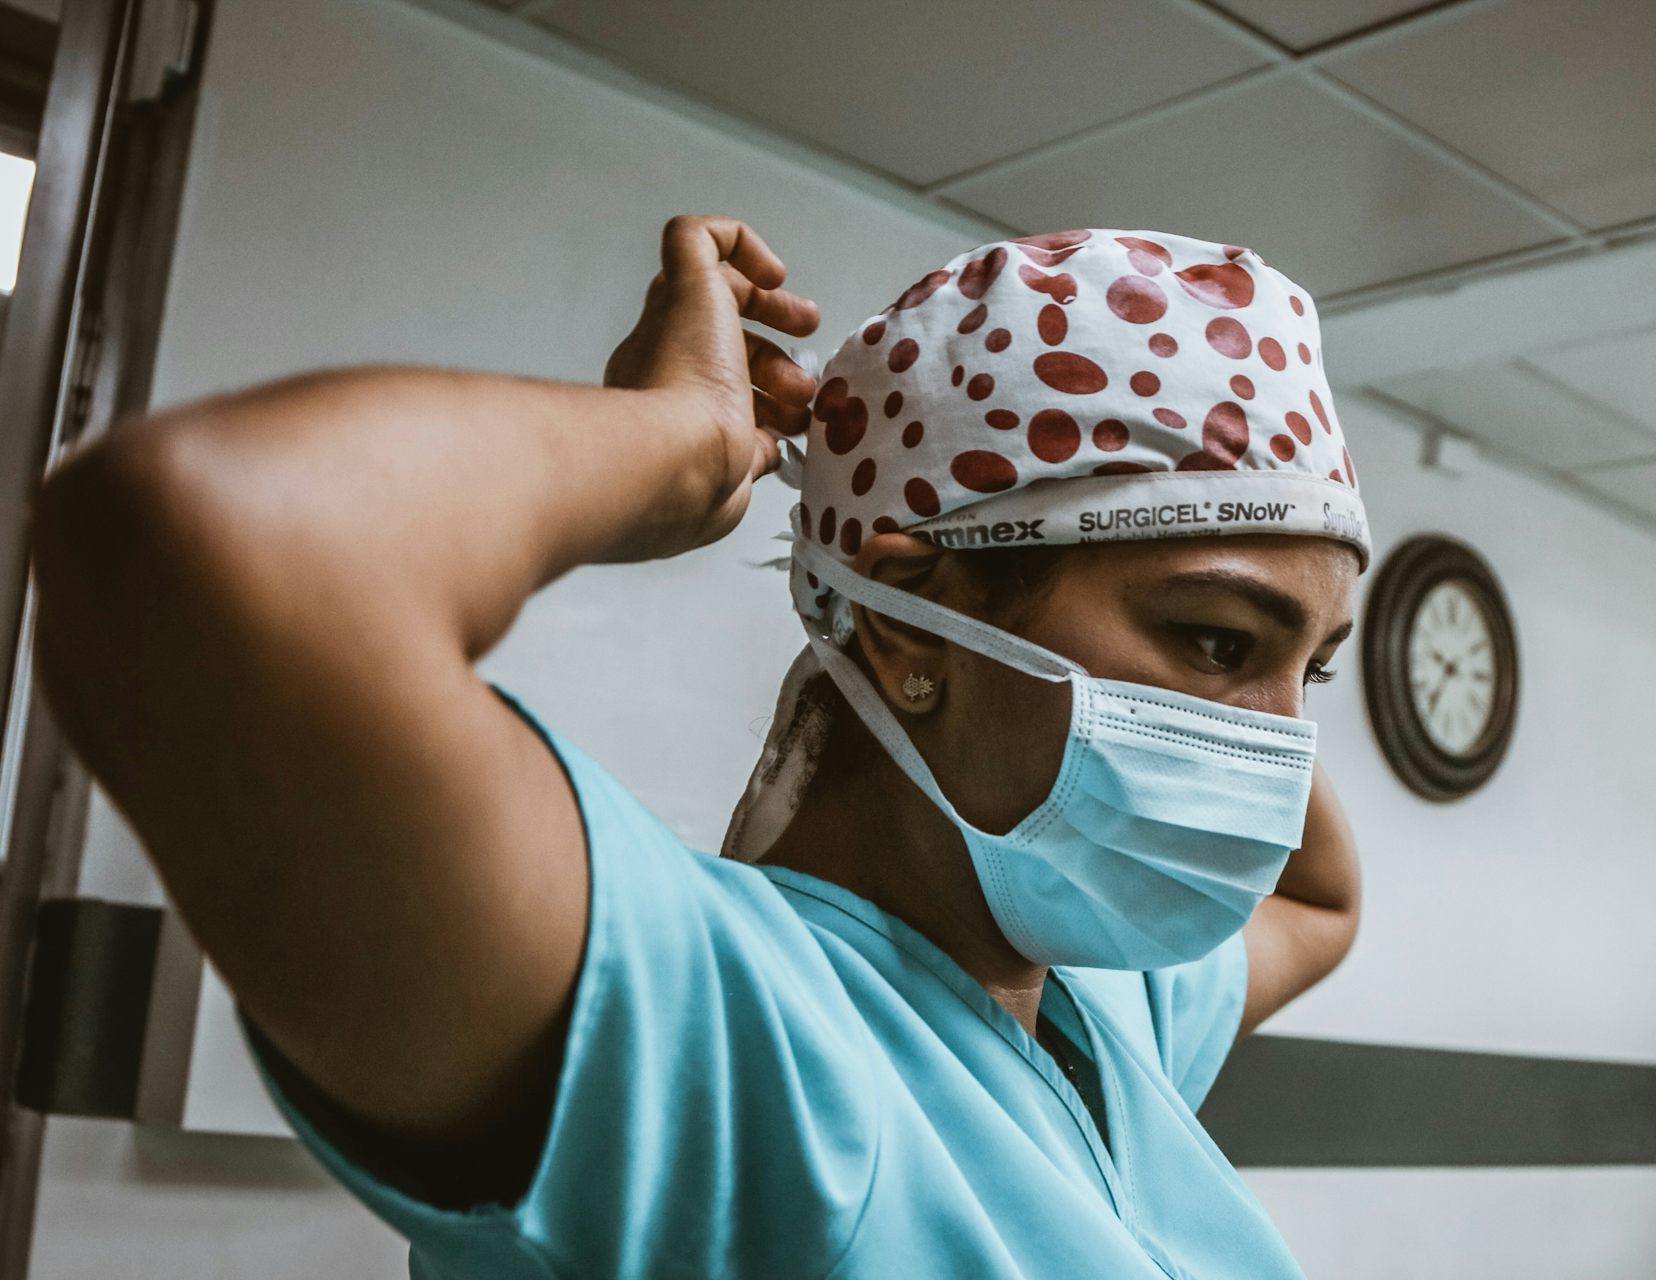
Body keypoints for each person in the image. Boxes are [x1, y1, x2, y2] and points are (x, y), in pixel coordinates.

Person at [30, 217, 1369, 1278]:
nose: (1281, 755)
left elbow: (1320, 899)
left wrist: (1263, 622)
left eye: (1314, 669)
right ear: (922, 632)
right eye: (1212, 642)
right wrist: (687, 444)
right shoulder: (726, 1044)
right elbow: (213, 545)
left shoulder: (1102, 1009)